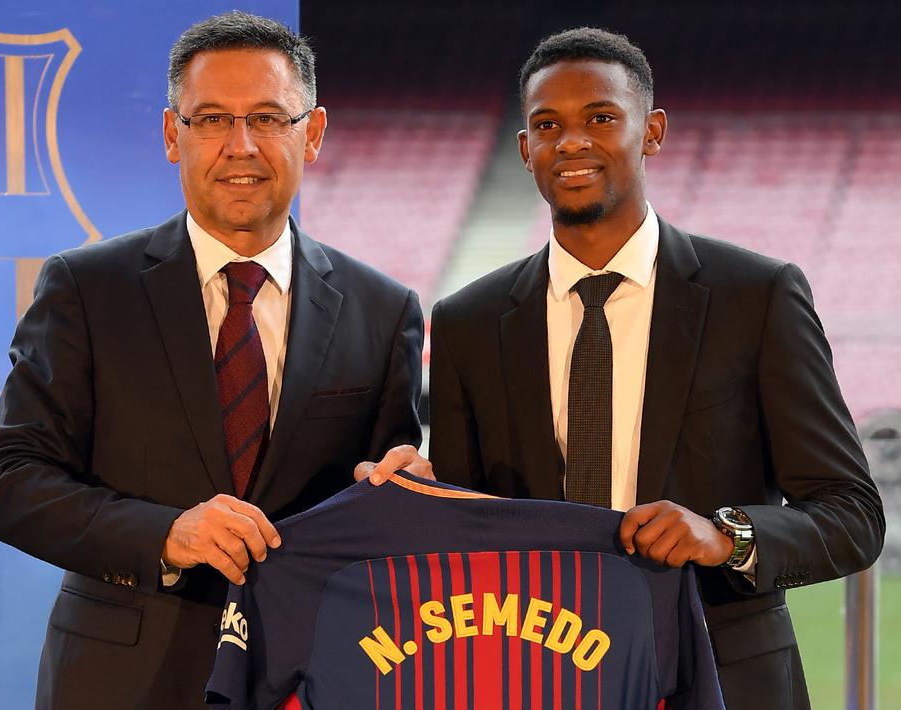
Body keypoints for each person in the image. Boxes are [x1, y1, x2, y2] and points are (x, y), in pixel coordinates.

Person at [364, 27, 883, 710]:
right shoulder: (466, 320)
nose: (570, 142)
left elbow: (850, 515)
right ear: (524, 150)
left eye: (600, 118)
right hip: (532, 678)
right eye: (546, 125)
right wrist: (421, 492)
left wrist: (722, 535)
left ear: (652, 131)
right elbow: (474, 529)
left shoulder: (754, 296)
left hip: (723, 678)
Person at [0, 12, 424, 710]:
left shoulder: (384, 308)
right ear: (170, 136)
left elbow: (386, 503)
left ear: (314, 132)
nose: (240, 146)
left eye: (269, 118)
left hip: (314, 679)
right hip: (120, 682)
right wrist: (166, 535)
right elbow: (7, 484)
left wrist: (408, 488)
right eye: (210, 119)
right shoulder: (86, 289)